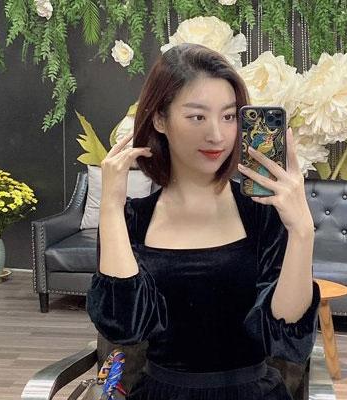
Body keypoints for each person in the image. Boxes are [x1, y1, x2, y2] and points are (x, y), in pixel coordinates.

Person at [86, 43, 321, 400]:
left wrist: (302, 231)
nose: (217, 135)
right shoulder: (131, 220)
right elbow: (125, 326)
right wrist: (111, 207)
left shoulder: (263, 213)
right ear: (160, 119)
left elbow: (286, 339)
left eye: (228, 117)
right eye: (197, 117)